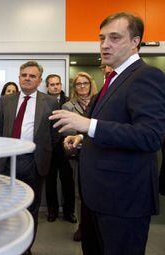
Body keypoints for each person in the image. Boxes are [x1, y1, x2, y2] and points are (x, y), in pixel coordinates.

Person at [50, 12, 165, 255]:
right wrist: (81, 138)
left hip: (123, 200)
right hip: (97, 197)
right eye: (102, 38)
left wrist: (87, 125)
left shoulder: (146, 76)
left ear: (135, 42)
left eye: (114, 37)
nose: (104, 45)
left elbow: (150, 135)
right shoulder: (113, 78)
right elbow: (113, 124)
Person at [0, 61, 58, 254]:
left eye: (32, 76)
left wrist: (43, 151)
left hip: (34, 162)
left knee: (30, 208)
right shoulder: (6, 101)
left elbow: (54, 134)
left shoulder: (49, 102)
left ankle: (26, 248)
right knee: (7, 208)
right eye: (24, 75)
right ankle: (8, 246)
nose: (27, 78)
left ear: (39, 80)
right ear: (19, 77)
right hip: (8, 161)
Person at [62, 72, 98, 242]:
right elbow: (68, 132)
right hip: (77, 155)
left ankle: (95, 226)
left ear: (91, 85)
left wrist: (84, 131)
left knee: (97, 191)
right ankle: (82, 227)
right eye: (78, 84)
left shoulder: (100, 102)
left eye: (85, 83)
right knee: (80, 192)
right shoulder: (68, 106)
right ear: (74, 87)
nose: (82, 86)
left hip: (98, 154)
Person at [44, 74, 76, 224]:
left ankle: (69, 212)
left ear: (61, 85)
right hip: (49, 147)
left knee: (68, 180)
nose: (55, 87)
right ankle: (52, 211)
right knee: (50, 181)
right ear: (47, 87)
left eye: (57, 84)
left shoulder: (69, 102)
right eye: (52, 84)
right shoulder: (42, 102)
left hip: (65, 146)